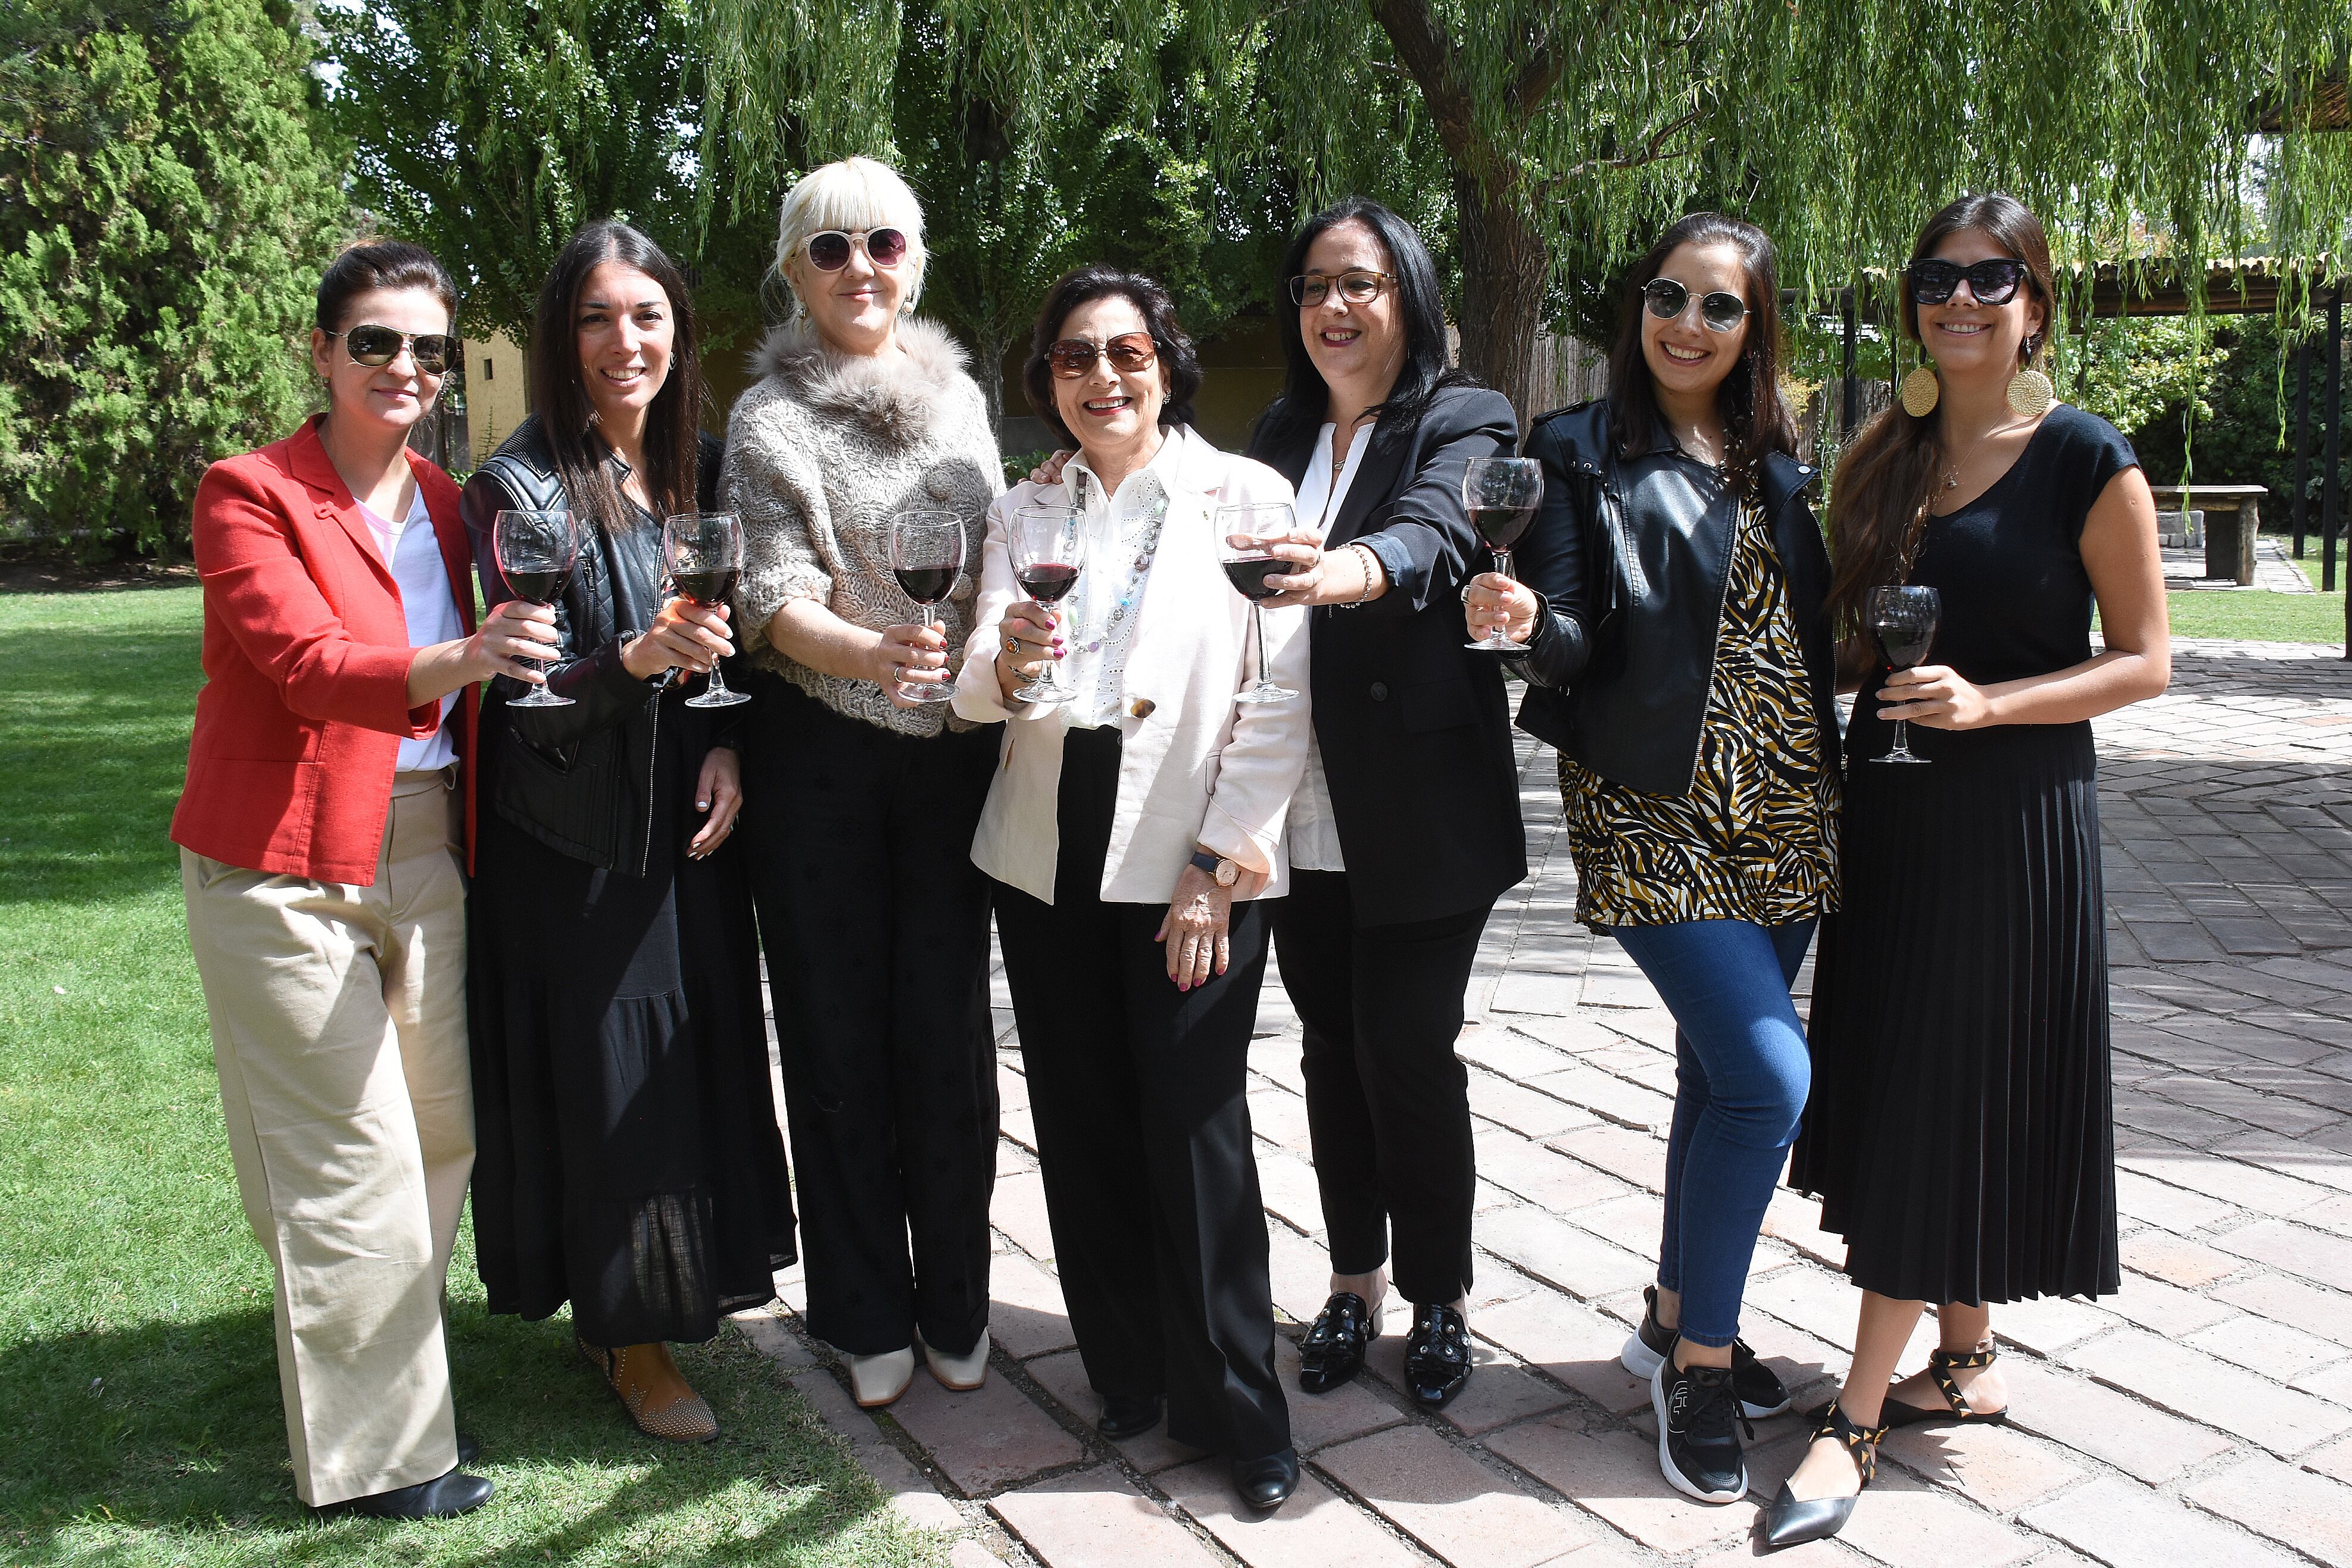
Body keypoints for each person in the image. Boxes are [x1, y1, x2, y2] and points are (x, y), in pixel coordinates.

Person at [1765, 193, 2167, 1549]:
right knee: (1909, 1078)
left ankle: (1856, 1417)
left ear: (2035, 305)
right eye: (1937, 277)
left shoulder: (2084, 459)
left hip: (2009, 820)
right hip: (1889, 823)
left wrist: (1991, 705)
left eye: (1992, 279)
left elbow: (2145, 660)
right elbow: (1843, 650)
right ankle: (1965, 1359)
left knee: (1939, 1089)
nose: (1961, 298)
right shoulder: (1883, 455)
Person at [174, 239, 550, 1518]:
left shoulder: (450, 501)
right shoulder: (248, 491)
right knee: (347, 1158)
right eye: (375, 341)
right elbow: (307, 662)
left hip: (427, 842)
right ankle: (387, 1461)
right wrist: (469, 656)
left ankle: (368, 1355)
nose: (404, 367)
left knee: (438, 1131)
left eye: (428, 349)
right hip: (280, 857)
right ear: (322, 351)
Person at [1468, 212, 1836, 1505]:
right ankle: (1701, 1364)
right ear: (1640, 306)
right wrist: (1524, 620)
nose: (1687, 324)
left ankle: (1671, 1310)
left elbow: (1800, 632)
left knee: (1713, 1082)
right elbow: (1569, 638)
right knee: (1767, 1078)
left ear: (1754, 327)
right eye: (1668, 298)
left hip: (1787, 801)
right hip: (1651, 802)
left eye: (1719, 307)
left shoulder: (1776, 457)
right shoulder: (1575, 448)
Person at [953, 264, 1311, 1511]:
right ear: (1043, 379)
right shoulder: (1023, 511)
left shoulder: (1244, 497)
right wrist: (1005, 658)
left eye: (1124, 352)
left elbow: (1279, 697)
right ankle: (1129, 1375)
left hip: (1188, 842)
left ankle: (1240, 1408)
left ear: (1165, 360)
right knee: (1084, 1117)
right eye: (1070, 358)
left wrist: (1219, 870)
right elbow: (978, 699)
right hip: (1046, 838)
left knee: (1197, 1129)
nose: (1100, 378)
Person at [463, 220, 796, 1445]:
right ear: (563, 336)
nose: (625, 341)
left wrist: (721, 742)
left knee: (689, 1066)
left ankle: (670, 1292)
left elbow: (734, 660)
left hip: (688, 832)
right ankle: (629, 1337)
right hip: (580, 843)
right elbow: (525, 705)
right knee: (613, 1092)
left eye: (646, 315)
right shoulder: (519, 487)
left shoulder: (698, 467)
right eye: (599, 318)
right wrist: (636, 660)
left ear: (678, 330)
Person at [720, 157, 1006, 1409]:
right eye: (828, 250)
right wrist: (874, 654)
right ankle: (859, 1304)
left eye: (882, 242)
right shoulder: (766, 422)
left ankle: (954, 1295)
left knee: (945, 1037)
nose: (859, 269)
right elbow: (768, 599)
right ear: (794, 273)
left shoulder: (968, 408)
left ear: (916, 260)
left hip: (953, 760)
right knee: (835, 1035)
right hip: (824, 757)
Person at [1241, 197, 1521, 1410]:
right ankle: (1351, 1284)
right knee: (1324, 1048)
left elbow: (1439, 529)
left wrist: (1351, 569)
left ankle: (1440, 1298)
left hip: (1417, 803)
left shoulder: (1463, 417)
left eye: (1358, 283)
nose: (1332, 308)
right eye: (1312, 286)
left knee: (1404, 1050)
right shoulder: (1277, 431)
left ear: (1406, 295)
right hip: (1293, 794)